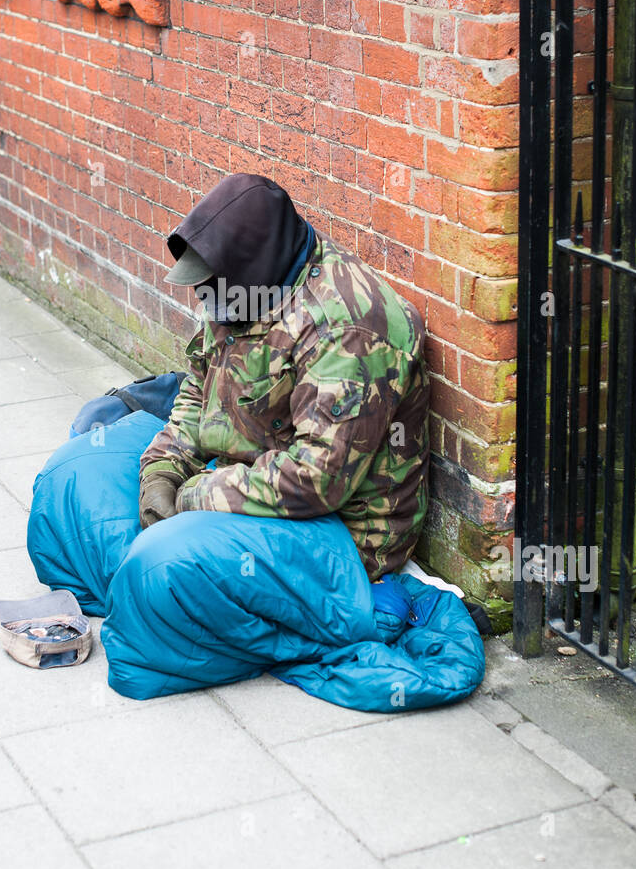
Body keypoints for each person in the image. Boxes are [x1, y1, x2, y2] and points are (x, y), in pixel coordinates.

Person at [138, 173, 430, 581]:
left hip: (342, 534)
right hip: (249, 475)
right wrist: (162, 471)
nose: (205, 299)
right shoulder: (243, 286)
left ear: (251, 269)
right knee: (79, 479)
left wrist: (195, 496)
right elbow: (196, 393)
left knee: (162, 574)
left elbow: (316, 479)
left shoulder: (346, 331)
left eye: (211, 287)